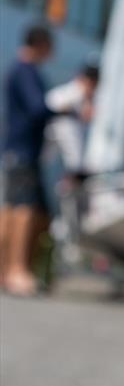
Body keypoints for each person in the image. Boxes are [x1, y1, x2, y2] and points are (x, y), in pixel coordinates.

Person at [0, 25, 55, 296]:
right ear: (41, 44)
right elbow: (37, 108)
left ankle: (9, 270)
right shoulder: (26, 71)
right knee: (22, 210)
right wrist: (60, 108)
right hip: (24, 150)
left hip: (16, 149)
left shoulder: (17, 69)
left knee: (18, 209)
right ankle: (16, 270)